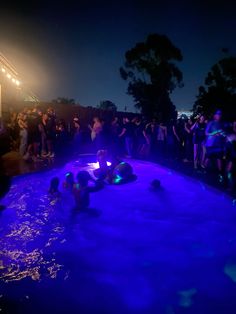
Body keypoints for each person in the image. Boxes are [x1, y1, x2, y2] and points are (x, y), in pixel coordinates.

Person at [204, 110, 226, 182]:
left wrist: (222, 135)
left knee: (219, 159)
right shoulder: (211, 123)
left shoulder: (221, 124)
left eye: (220, 114)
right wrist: (214, 133)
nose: (219, 115)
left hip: (218, 145)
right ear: (214, 116)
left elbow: (224, 134)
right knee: (208, 158)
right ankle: (204, 171)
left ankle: (220, 174)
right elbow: (206, 133)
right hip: (210, 144)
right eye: (217, 114)